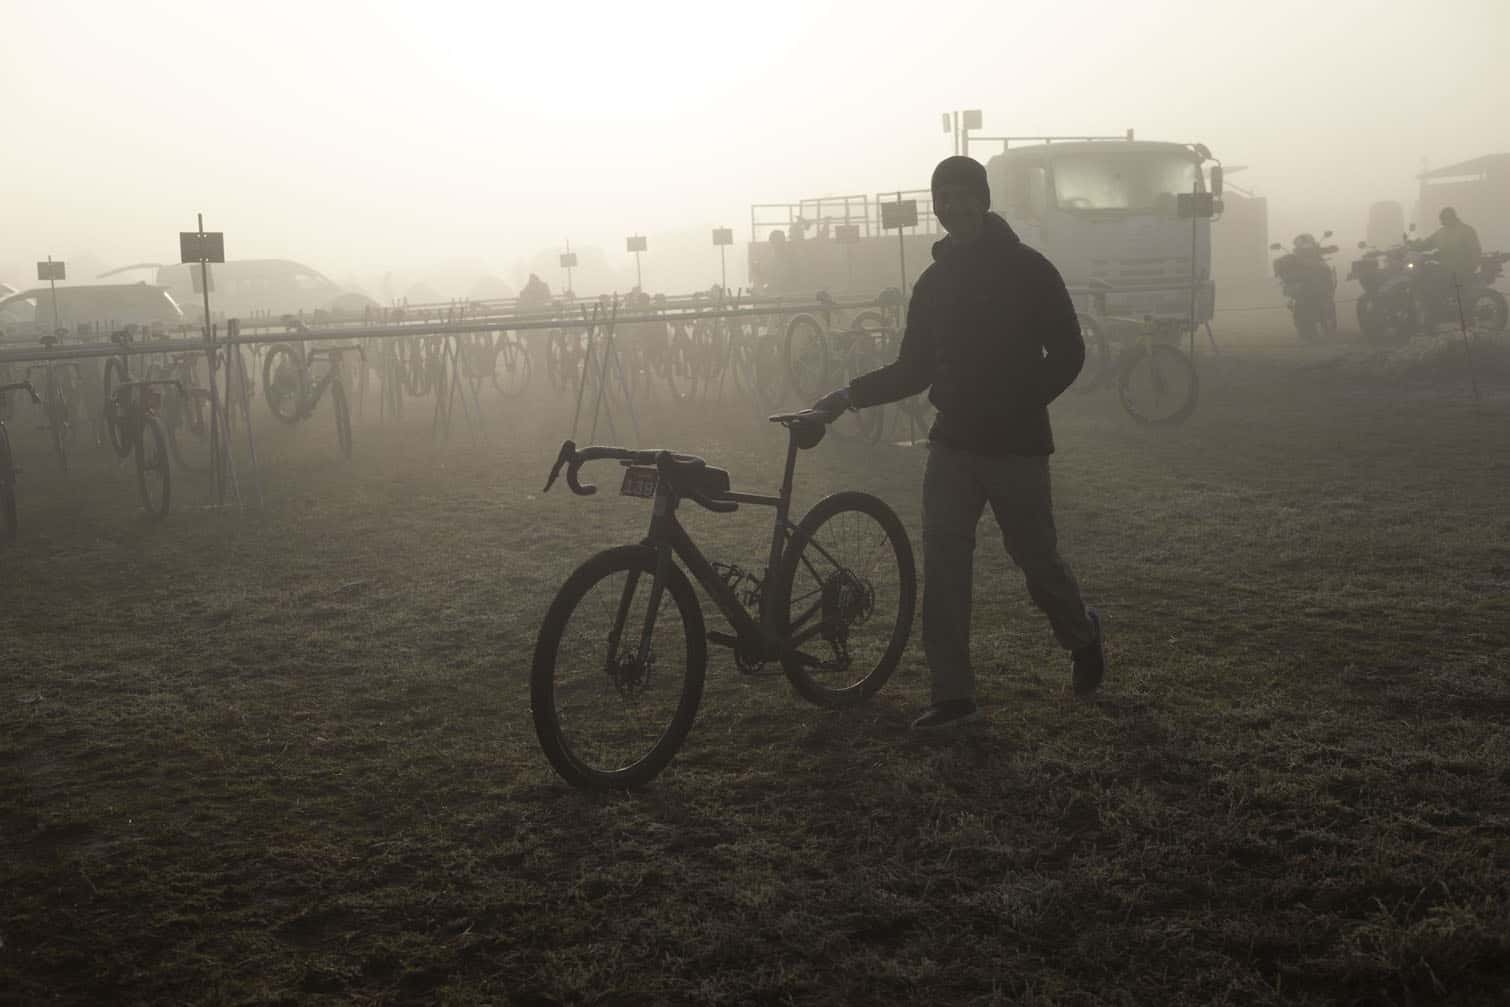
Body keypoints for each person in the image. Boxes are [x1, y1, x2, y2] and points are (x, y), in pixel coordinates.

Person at [810, 155, 1105, 731]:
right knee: (944, 570)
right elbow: (913, 369)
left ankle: (1083, 635)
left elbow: (1069, 353)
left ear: (985, 200)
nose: (953, 206)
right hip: (951, 447)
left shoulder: (1030, 270)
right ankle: (954, 697)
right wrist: (847, 395)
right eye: (942, 196)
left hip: (1017, 446)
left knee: (1036, 561)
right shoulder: (934, 281)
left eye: (964, 194)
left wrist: (1023, 399)